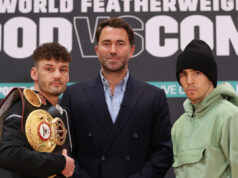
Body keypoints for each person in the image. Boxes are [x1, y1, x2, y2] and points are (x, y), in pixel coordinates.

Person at [60, 17, 173, 178]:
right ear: (97, 49)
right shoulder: (74, 95)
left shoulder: (154, 97)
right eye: (106, 43)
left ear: (132, 50)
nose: (113, 50)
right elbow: (65, 150)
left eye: (120, 43)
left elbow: (164, 153)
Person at [0, 42, 75, 178]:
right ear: (34, 74)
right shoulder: (22, 105)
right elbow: (7, 154)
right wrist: (60, 163)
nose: (57, 75)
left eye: (63, 69)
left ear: (68, 76)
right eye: (49, 69)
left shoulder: (61, 112)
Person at [172, 39, 238, 177]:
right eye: (183, 74)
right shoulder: (178, 127)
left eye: (197, 73)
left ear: (210, 77)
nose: (189, 80)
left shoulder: (230, 116)